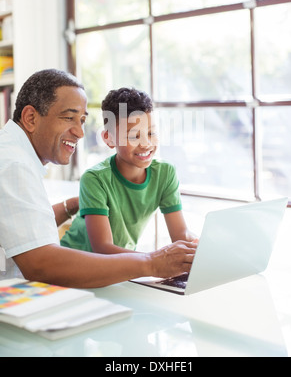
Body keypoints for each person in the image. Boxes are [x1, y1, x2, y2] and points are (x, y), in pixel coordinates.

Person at [0, 69, 196, 289]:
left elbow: (26, 225)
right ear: (30, 118)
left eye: (82, 120)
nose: (80, 132)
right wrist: (151, 262)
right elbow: (41, 265)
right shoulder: (14, 165)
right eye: (68, 117)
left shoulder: (13, 156)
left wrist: (72, 204)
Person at [60, 87, 198, 255]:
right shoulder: (94, 179)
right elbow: (103, 248)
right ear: (109, 138)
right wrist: (157, 260)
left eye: (151, 132)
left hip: (123, 266)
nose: (146, 143)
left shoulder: (165, 173)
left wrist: (196, 244)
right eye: (134, 136)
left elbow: (180, 235)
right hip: (78, 266)